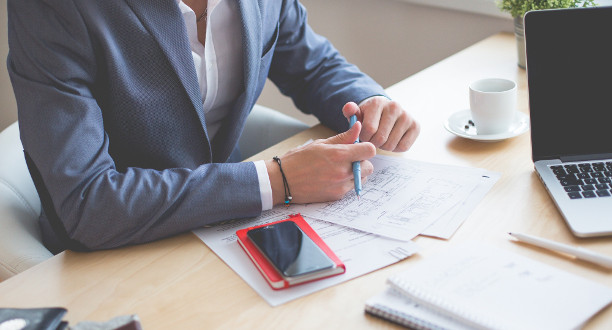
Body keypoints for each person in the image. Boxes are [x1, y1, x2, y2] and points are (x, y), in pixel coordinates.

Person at [7, 0, 419, 253]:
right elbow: (88, 204)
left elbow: (311, 64)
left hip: (235, 228)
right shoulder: (53, 6)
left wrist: (369, 101)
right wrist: (277, 179)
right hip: (117, 253)